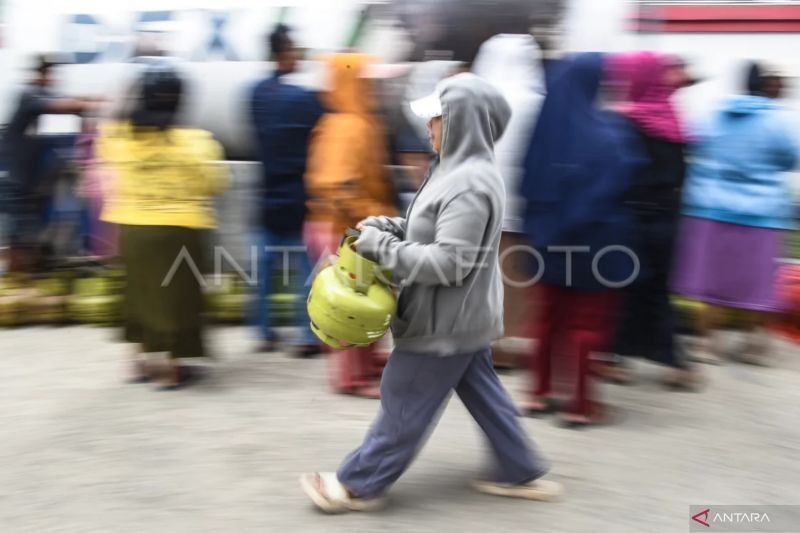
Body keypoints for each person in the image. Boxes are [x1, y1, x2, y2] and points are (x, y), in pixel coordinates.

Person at [300, 73, 562, 513]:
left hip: (444, 319)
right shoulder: (456, 170)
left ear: (461, 122)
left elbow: (449, 262)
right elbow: (429, 231)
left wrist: (382, 248)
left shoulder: (469, 184)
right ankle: (517, 468)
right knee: (483, 392)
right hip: (464, 316)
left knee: (403, 398)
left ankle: (357, 485)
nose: (429, 128)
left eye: (437, 119)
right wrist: (387, 227)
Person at [519, 53, 644, 426]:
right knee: (586, 323)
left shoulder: (542, 131)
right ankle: (579, 403)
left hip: (548, 242)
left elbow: (525, 182)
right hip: (600, 243)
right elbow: (620, 182)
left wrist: (545, 228)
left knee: (548, 319)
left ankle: (539, 392)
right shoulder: (612, 133)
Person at [99, 62, 226, 389]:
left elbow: (108, 126)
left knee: (138, 298)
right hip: (179, 229)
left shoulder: (119, 137)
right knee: (178, 302)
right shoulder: (195, 142)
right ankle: (171, 371)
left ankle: (137, 364)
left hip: (131, 228)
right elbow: (214, 182)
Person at [672, 61, 798, 365]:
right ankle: (754, 347)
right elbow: (793, 157)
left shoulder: (715, 114)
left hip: (710, 207)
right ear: (766, 86)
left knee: (710, 281)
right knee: (759, 282)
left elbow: (695, 143)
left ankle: (706, 345)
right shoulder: (777, 121)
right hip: (760, 211)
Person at [304, 53, 397, 398]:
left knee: (368, 298)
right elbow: (337, 186)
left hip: (351, 228)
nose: (374, 87)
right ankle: (350, 378)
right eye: (367, 80)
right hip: (342, 229)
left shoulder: (351, 121)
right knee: (348, 305)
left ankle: (366, 361)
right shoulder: (348, 126)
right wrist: (374, 214)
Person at [609, 51, 701, 390]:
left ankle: (616, 360)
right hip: (667, 219)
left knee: (623, 288)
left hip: (630, 217)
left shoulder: (624, 121)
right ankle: (677, 364)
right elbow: (680, 172)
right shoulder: (673, 118)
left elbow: (618, 173)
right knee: (658, 291)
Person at [249, 24, 325, 356]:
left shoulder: (255, 94)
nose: (298, 55)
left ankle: (264, 333)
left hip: (266, 198)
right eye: (295, 49)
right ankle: (306, 337)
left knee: (264, 273)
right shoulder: (304, 99)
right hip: (298, 199)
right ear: (284, 53)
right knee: (305, 272)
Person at [472, 33, 546, 368]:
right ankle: (499, 346)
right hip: (516, 208)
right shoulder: (536, 101)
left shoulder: (473, 99)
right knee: (510, 281)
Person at [2, 55, 97, 272]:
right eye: (51, 73)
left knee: (29, 239)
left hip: (30, 184)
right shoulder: (28, 96)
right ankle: (15, 286)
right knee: (20, 242)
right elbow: (63, 105)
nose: (55, 78)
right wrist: (97, 104)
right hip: (16, 183)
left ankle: (23, 284)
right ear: (41, 75)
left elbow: (72, 101)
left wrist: (93, 101)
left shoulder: (41, 94)